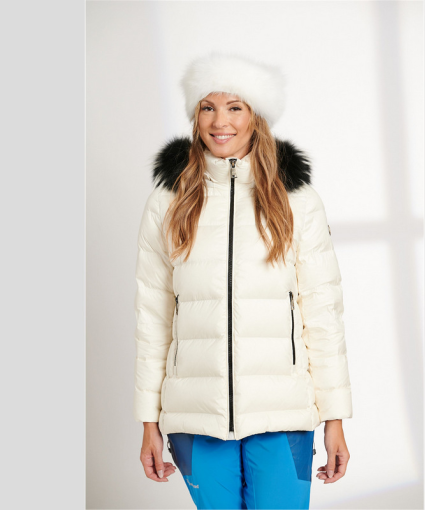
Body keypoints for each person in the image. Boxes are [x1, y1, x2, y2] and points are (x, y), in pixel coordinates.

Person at [133, 53, 353, 510]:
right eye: (208, 107)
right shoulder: (168, 201)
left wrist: (335, 418)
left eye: (235, 107)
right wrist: (148, 421)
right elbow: (153, 318)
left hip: (283, 414)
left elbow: (322, 314)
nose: (220, 122)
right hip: (195, 416)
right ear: (195, 116)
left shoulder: (297, 200)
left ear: (256, 116)